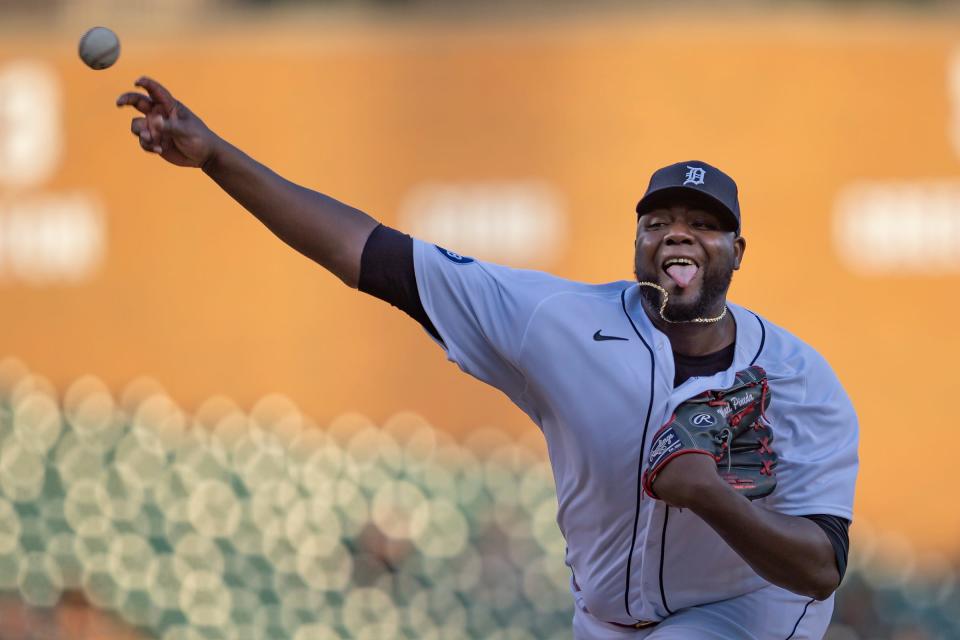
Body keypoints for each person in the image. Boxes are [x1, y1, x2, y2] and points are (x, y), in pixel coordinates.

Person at [117, 77, 858, 639]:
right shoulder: (558, 321)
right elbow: (366, 253)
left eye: (705, 225)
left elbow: (822, 567)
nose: (677, 234)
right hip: (603, 617)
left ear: (736, 252)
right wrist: (217, 157)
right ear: (637, 244)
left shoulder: (799, 381)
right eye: (658, 220)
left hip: (747, 613)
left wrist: (712, 496)